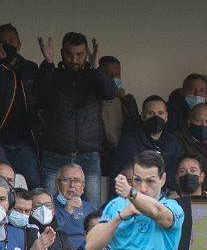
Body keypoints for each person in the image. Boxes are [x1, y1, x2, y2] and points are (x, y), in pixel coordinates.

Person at [34, 32, 116, 207]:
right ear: (62, 53)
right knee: (46, 209)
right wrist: (48, 64)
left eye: (79, 54)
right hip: (54, 153)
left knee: (91, 212)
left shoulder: (94, 76)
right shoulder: (53, 74)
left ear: (86, 53)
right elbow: (38, 93)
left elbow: (110, 93)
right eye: (69, 54)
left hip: (89, 154)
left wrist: (97, 68)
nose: (74, 59)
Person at [116, 96, 183, 194]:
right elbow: (130, 173)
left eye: (160, 113)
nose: (156, 117)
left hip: (165, 194)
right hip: (135, 194)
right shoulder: (130, 140)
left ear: (166, 116)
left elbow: (175, 173)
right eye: (150, 113)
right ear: (142, 115)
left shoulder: (173, 142)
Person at [0, 24, 40, 189]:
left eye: (11, 40)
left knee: (34, 185)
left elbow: (41, 97)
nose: (8, 44)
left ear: (19, 44)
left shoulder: (30, 68)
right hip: (1, 141)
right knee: (3, 186)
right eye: (3, 41)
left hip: (24, 141)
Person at [97, 55, 140, 178]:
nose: (113, 78)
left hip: (124, 156)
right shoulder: (92, 101)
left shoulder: (127, 101)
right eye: (108, 74)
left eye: (117, 73)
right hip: (101, 157)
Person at [52, 163, 95, 249]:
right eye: (66, 180)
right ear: (56, 185)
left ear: (83, 187)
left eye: (77, 181)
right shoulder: (48, 204)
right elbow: (46, 232)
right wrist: (65, 211)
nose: (72, 185)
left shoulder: (90, 208)